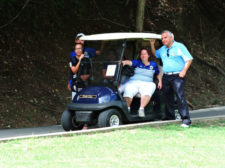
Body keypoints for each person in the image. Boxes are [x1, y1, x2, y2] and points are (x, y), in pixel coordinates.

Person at [150, 30, 193, 127]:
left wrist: (184, 71)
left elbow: (189, 59)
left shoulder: (179, 46)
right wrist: (152, 44)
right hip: (166, 76)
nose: (163, 40)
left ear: (171, 37)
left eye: (165, 38)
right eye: (162, 38)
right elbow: (155, 54)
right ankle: (170, 117)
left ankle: (186, 120)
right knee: (167, 97)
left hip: (178, 76)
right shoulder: (162, 49)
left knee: (180, 97)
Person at [121, 48, 162, 117]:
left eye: (145, 54)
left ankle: (141, 109)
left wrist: (160, 82)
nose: (143, 55)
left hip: (147, 83)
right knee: (128, 89)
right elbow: (130, 62)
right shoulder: (137, 62)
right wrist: (125, 62)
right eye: (142, 54)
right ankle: (127, 109)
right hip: (134, 82)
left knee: (151, 87)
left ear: (148, 55)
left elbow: (158, 74)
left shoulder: (153, 64)